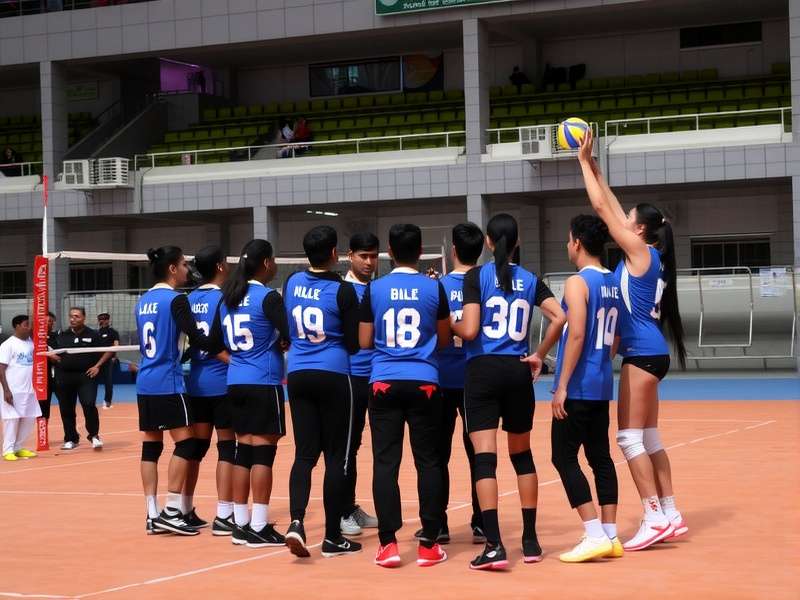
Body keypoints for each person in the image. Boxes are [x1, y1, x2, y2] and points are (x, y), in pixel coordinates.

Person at [577, 130, 688, 551]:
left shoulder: (641, 253)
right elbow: (609, 202)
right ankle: (671, 512)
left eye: (629, 219)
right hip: (650, 352)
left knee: (628, 438)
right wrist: (595, 166)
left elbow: (601, 208)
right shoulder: (646, 253)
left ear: (638, 229)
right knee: (652, 437)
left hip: (642, 355)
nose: (622, 221)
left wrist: (581, 163)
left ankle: (653, 514)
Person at [452, 213, 566, 570]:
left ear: (488, 241)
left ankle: (495, 545)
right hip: (518, 371)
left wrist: (447, 322)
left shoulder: (476, 277)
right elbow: (560, 318)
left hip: (483, 370)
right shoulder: (531, 280)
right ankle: (530, 542)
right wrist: (539, 355)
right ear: (516, 243)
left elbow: (469, 331)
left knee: (485, 459)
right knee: (523, 456)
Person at [359, 223, 451, 569]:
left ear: (390, 251)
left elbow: (365, 340)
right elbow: (443, 340)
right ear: (421, 249)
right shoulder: (433, 288)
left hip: (383, 382)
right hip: (425, 382)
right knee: (428, 461)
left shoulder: (375, 289)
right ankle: (428, 542)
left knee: (386, 463)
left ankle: (388, 544)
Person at [282, 225, 362, 558]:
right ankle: (331, 537)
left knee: (304, 454)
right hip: (333, 374)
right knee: (336, 458)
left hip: (298, 373)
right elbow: (355, 344)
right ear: (334, 254)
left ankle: (296, 521)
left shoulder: (291, 283)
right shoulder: (343, 291)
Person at [550, 215, 624, 562]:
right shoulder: (613, 281)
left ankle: (593, 532)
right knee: (600, 458)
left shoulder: (577, 283)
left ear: (577, 242)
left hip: (579, 385)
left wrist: (562, 385)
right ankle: (610, 535)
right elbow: (617, 336)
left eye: (568, 239)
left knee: (563, 456)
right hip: (602, 381)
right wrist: (600, 360)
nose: (567, 246)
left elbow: (577, 332)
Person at [136, 246, 222, 536]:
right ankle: (172, 509)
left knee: (152, 446)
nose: (188, 270)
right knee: (187, 444)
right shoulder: (175, 300)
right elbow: (197, 337)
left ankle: (151, 514)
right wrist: (231, 354)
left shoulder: (143, 300)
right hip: (168, 382)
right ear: (172, 269)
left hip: (145, 381)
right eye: (184, 264)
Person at [415, 223, 485, 545]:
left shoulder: (436, 287)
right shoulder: (486, 285)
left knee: (436, 455)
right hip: (474, 378)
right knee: (478, 454)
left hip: (441, 378)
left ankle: (437, 524)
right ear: (481, 249)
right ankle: (482, 521)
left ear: (453, 250)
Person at [220, 239, 289, 549]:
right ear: (265, 264)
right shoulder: (267, 297)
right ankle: (259, 525)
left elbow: (213, 340)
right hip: (263, 380)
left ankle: (240, 523)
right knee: (263, 453)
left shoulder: (228, 297)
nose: (274, 266)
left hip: (235, 379)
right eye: (272, 260)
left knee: (242, 451)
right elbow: (290, 333)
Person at [186, 245, 237, 536]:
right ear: (219, 267)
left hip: (195, 381)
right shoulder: (225, 298)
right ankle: (224, 514)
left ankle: (183, 508)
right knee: (227, 447)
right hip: (222, 380)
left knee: (195, 448)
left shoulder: (189, 298)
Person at [339, 232, 380, 536]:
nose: (369, 262)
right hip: (350, 376)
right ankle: (342, 511)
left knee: (366, 445)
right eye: (363, 256)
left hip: (378, 376)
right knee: (347, 446)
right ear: (349, 255)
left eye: (374, 256)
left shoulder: (378, 290)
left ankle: (350, 505)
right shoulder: (343, 290)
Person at [51, 307, 112, 451]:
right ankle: (71, 438)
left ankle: (94, 436)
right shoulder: (62, 335)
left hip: (86, 377)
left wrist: (97, 366)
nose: (73, 319)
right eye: (71, 316)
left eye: (77, 316)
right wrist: (56, 359)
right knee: (66, 409)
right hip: (65, 376)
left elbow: (109, 350)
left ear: (84, 318)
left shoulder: (93, 334)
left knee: (89, 404)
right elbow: (51, 352)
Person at [0, 315, 40, 461]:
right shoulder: (7, 345)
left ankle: (18, 447)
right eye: (26, 324)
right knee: (12, 419)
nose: (29, 327)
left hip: (29, 389)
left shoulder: (31, 343)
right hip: (12, 389)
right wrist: (6, 390)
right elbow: (1, 368)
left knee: (29, 418)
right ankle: (7, 450)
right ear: (17, 326)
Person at [96, 313, 120, 409]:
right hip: (97, 361)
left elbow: (116, 345)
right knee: (92, 382)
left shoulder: (113, 332)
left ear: (108, 320)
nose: (102, 320)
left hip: (108, 360)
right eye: (100, 319)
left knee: (108, 382)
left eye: (105, 319)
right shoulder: (96, 333)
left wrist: (114, 356)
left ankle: (107, 401)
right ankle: (91, 400)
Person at [40, 311, 58, 421]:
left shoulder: (57, 337)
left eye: (50, 321)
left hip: (58, 376)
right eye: (45, 321)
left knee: (66, 404)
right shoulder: (35, 338)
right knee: (43, 404)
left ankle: (71, 435)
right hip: (41, 377)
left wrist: (52, 356)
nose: (48, 323)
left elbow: (60, 357)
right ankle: (42, 434)